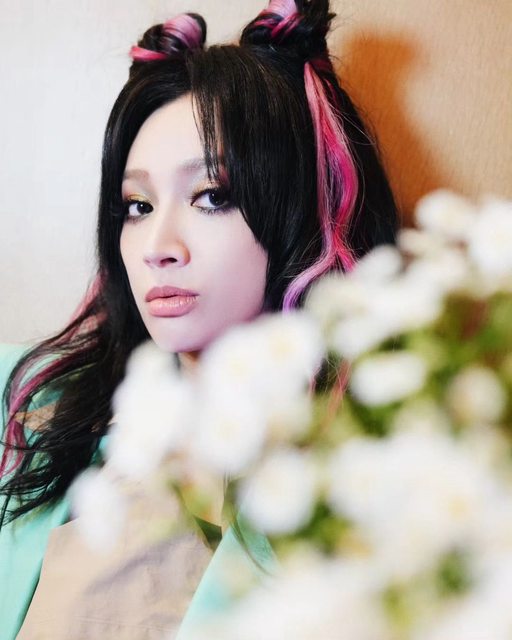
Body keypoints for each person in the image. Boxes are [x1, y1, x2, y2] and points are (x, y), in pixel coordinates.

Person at [0, 0, 398, 637]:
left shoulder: (375, 484)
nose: (158, 245)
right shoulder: (23, 401)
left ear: (301, 210)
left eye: (212, 196)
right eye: (137, 205)